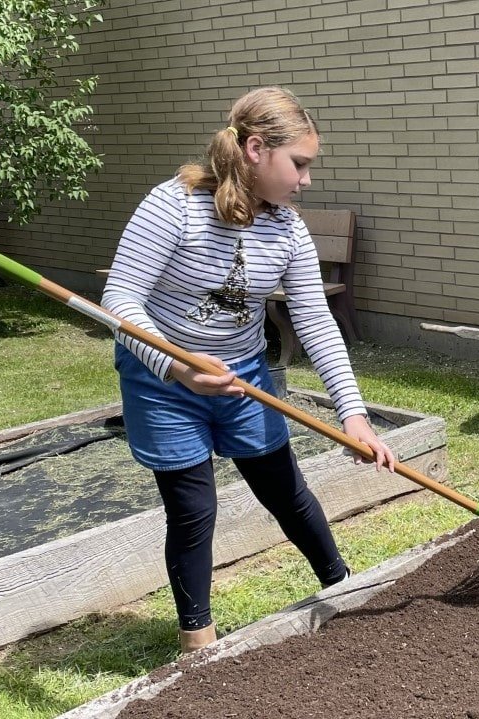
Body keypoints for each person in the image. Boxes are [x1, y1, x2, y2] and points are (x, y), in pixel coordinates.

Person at [102, 87, 396, 653]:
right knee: (193, 511)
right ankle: (200, 647)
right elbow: (121, 301)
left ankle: (345, 588)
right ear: (256, 149)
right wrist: (174, 366)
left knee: (285, 489)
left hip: (242, 378)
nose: (306, 179)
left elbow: (315, 320)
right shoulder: (172, 206)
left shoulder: (286, 228)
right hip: (163, 380)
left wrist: (353, 415)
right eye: (300, 164)